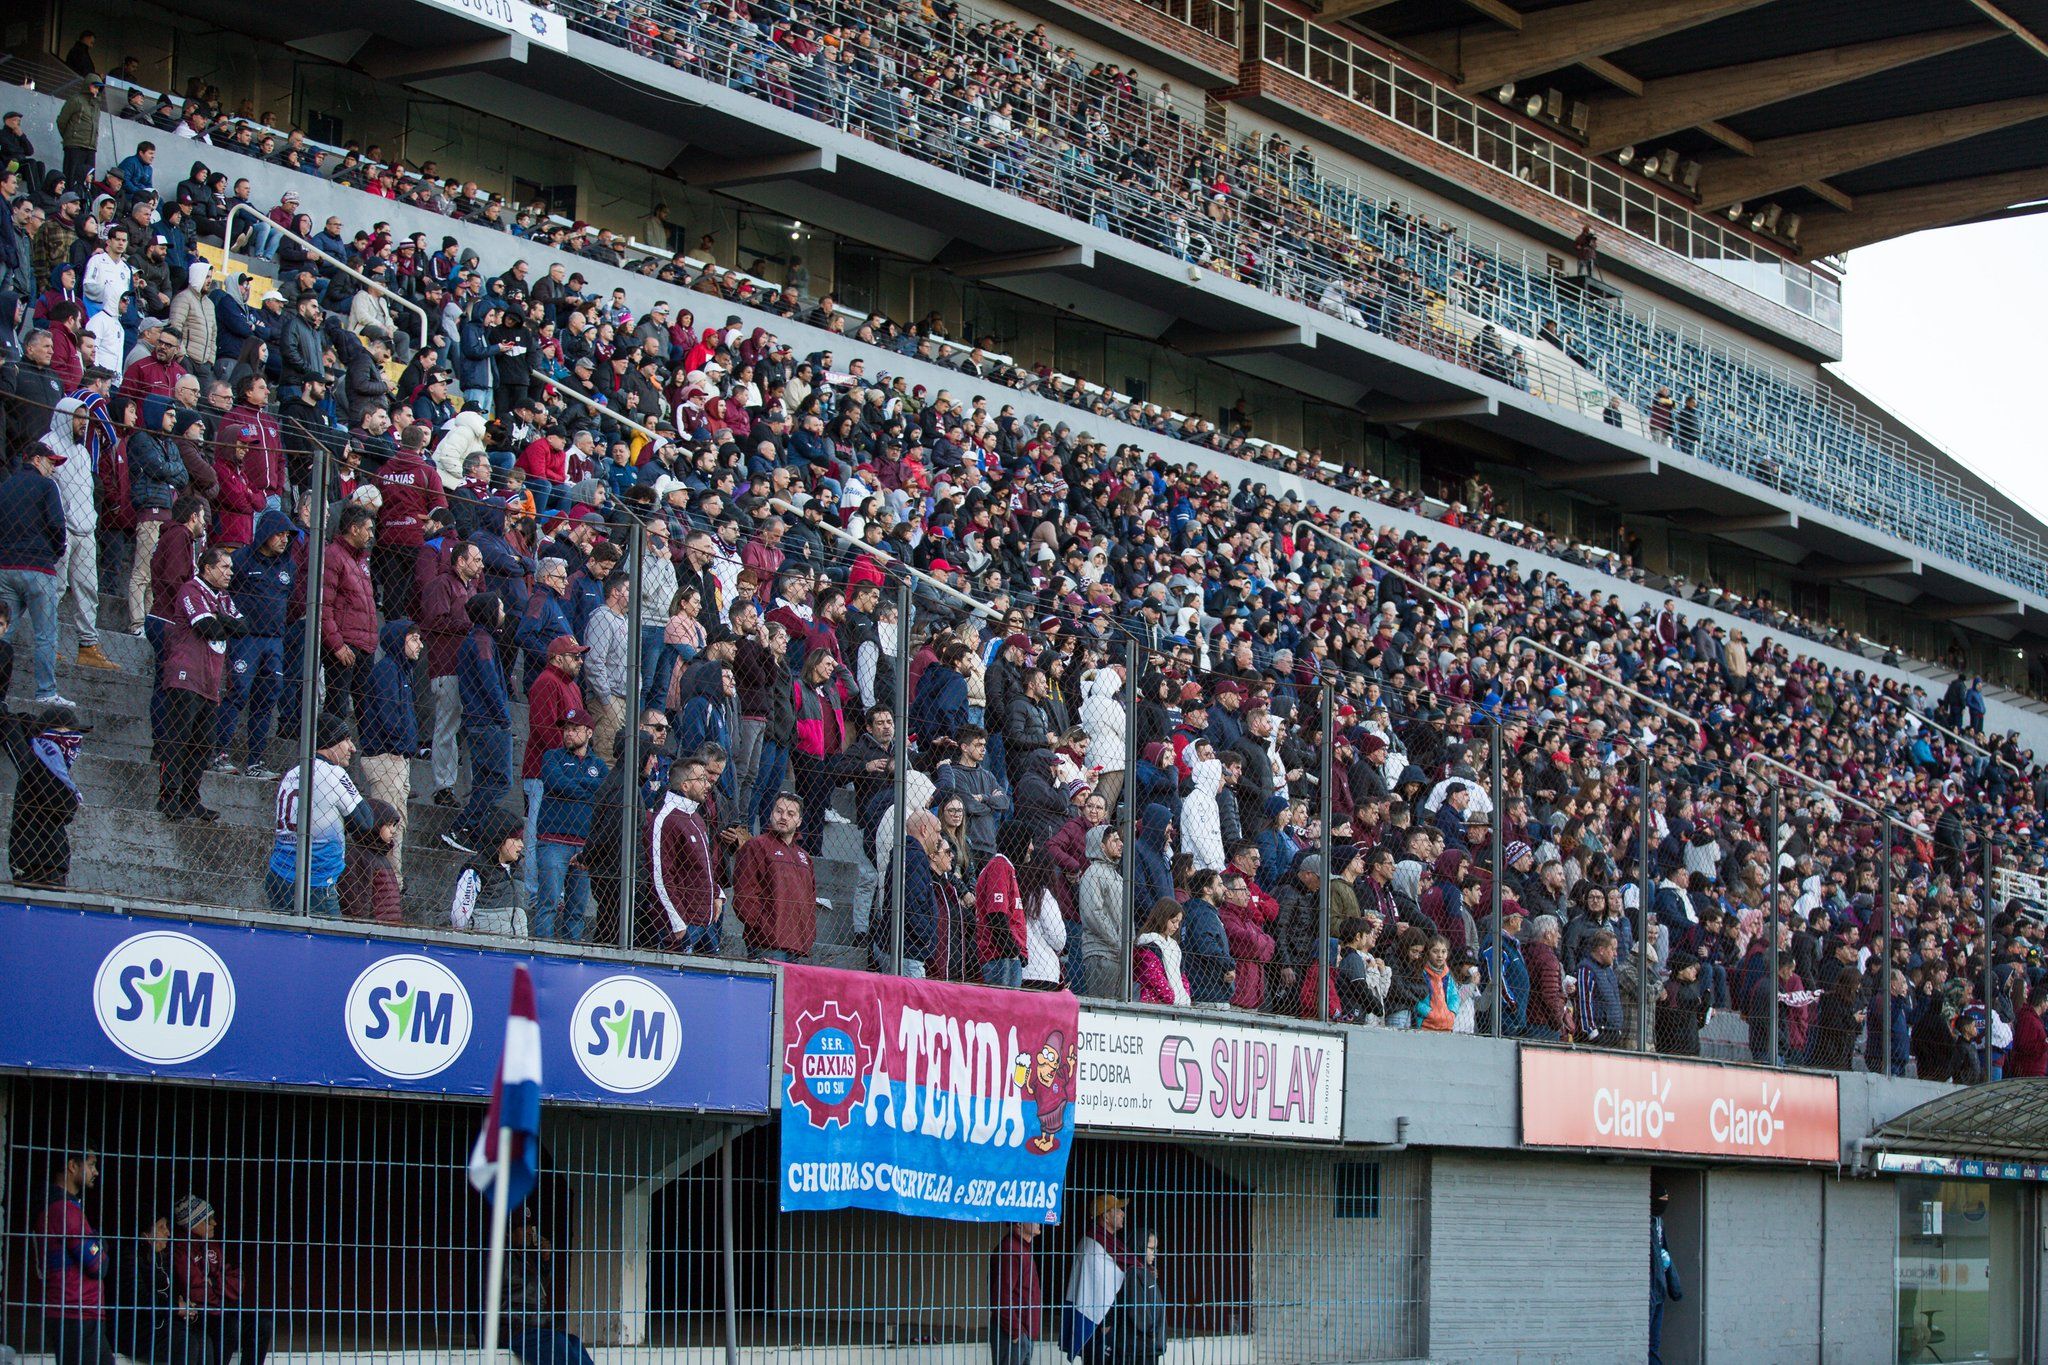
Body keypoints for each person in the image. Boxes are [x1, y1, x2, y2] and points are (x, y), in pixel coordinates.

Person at [158, 545, 240, 821]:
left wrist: (221, 619)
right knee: (178, 738)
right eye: (224, 567)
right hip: (185, 675)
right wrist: (223, 621)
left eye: (230, 567)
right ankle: (168, 797)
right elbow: (208, 627)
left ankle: (190, 798)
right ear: (207, 568)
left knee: (203, 744)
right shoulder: (191, 590)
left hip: (210, 681)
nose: (230, 572)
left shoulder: (223, 598)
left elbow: (244, 627)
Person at [265, 712, 373, 915]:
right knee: (332, 944)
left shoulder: (293, 771)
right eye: (346, 740)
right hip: (316, 880)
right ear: (331, 741)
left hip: (279, 874)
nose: (352, 748)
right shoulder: (333, 773)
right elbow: (365, 822)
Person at [0, 437, 75, 706]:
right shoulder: (46, 487)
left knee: (3, 631)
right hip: (39, 567)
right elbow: (57, 523)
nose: (52, 468)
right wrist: (56, 551)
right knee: (45, 634)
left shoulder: (5, 486)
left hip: (6, 566)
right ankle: (45, 692)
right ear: (36, 459)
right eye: (49, 462)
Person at [168, 1196, 270, 1365]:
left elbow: (238, 1280)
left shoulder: (212, 1244)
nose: (215, 1223)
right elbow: (195, 1291)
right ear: (193, 1223)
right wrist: (222, 1293)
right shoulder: (180, 1249)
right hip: (198, 1314)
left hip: (220, 1309)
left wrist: (214, 1284)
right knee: (230, 1326)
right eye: (209, 1220)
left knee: (263, 1325)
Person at [534, 707, 607, 941]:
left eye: (574, 729)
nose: (567, 733)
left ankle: (571, 954)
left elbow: (602, 793)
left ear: (588, 732)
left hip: (584, 846)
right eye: (566, 729)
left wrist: (573, 786)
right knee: (548, 903)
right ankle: (541, 950)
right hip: (553, 841)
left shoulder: (600, 766)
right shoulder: (551, 757)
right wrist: (587, 788)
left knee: (576, 910)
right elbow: (555, 783)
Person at [447, 593, 513, 853]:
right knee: (500, 781)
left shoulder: (480, 640)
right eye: (500, 607)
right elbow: (490, 683)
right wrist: (504, 717)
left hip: (480, 720)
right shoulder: (483, 642)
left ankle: (470, 829)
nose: (504, 613)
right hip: (488, 722)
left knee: (486, 780)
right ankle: (464, 826)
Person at [357, 618, 420, 883]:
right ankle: (388, 882)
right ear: (399, 640)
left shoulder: (401, 670)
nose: (420, 645)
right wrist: (401, 743)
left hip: (396, 756)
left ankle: (394, 881)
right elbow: (387, 714)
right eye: (414, 639)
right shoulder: (387, 670)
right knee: (388, 824)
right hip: (386, 756)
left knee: (398, 823)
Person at [35, 1148, 111, 1365]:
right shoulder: (63, 1209)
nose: (96, 1171)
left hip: (79, 1312)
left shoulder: (63, 1206)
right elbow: (97, 1265)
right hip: (74, 1312)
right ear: (72, 1165)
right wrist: (100, 1242)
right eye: (91, 1164)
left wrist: (97, 1242)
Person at [0, 700, 88, 887]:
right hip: (35, 859)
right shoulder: (38, 762)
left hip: (51, 859)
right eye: (68, 733)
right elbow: (64, 808)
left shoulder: (54, 765)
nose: (75, 740)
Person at [112, 1213, 209, 1365]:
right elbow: (139, 1297)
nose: (168, 1233)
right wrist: (175, 1307)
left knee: (204, 1341)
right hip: (136, 1329)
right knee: (186, 1344)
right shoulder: (128, 1256)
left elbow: (171, 1295)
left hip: (161, 1323)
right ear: (145, 1233)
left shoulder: (161, 1256)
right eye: (161, 1227)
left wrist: (185, 1307)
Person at [732, 791, 816, 962]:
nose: (783, 817)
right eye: (779, 811)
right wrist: (763, 927)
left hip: (798, 944)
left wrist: (808, 934)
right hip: (766, 943)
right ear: (771, 814)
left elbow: (811, 899)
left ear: (799, 821)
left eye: (790, 813)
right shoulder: (756, 845)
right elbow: (744, 893)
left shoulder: (804, 857)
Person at [502, 1213, 594, 1365]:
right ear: (508, 1232)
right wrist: (533, 1319)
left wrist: (544, 1261)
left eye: (530, 1227)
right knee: (557, 1343)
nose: (530, 1231)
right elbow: (490, 1303)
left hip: (528, 1325)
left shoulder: (524, 1256)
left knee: (573, 1342)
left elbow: (539, 1289)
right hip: (510, 1328)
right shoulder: (497, 1257)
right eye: (523, 1227)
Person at [649, 757, 720, 953]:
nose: (708, 785)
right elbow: (660, 875)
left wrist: (717, 894)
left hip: (706, 921)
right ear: (685, 785)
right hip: (684, 924)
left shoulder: (696, 816)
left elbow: (704, 864)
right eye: (702, 779)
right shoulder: (666, 818)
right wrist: (677, 922)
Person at [1063, 1194, 1133, 1364]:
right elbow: (1098, 1288)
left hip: (1109, 1323)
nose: (1123, 1214)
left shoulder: (1108, 1242)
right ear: (1105, 1216)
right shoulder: (1093, 1245)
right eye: (1117, 1210)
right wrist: (1106, 1321)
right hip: (1100, 1324)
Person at [450, 807, 529, 937]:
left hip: (516, 947)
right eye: (516, 839)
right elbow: (459, 915)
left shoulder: (517, 871)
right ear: (500, 839)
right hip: (482, 945)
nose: (521, 845)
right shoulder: (476, 868)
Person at [987, 1220, 1042, 1365]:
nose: (1039, 1221)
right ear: (1018, 1223)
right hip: (1014, 1332)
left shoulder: (1021, 1248)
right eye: (1033, 1217)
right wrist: (1015, 1331)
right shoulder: (1011, 1249)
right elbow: (1001, 1294)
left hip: (1023, 1331)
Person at [1132, 897, 1190, 1006]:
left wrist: (1184, 995)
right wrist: (1172, 998)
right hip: (1151, 1002)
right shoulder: (1148, 946)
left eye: (1179, 922)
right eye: (1173, 921)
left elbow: (1182, 975)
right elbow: (1154, 978)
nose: (1177, 926)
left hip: (1175, 1002)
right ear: (1162, 918)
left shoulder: (1174, 947)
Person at [1650, 1183, 1682, 1365]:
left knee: (1654, 1345)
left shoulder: (1659, 1222)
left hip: (1659, 1290)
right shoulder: (1645, 1222)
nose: (1663, 1203)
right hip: (1649, 1293)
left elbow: (1664, 1251)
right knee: (1647, 1344)